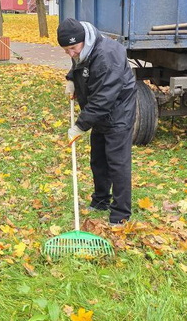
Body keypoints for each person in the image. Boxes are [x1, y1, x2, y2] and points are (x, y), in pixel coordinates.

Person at [58, 18, 137, 226]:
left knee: (117, 164)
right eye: (66, 50)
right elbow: (78, 65)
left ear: (84, 40)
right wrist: (71, 79)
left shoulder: (107, 55)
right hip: (99, 113)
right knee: (98, 160)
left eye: (73, 48)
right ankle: (101, 200)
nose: (71, 54)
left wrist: (80, 125)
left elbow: (104, 98)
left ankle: (120, 214)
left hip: (118, 112)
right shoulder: (84, 48)